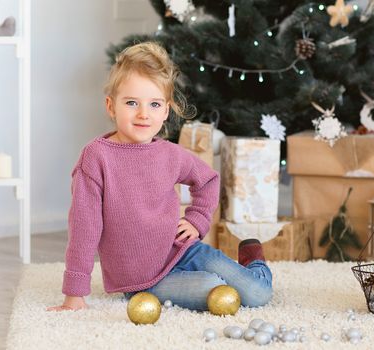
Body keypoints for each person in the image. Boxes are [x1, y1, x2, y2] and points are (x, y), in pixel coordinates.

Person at [47, 42, 272, 312]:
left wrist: (197, 219)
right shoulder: (96, 158)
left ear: (165, 110)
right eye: (132, 103)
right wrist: (74, 294)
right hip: (142, 281)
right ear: (111, 106)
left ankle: (253, 261)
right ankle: (226, 276)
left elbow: (208, 180)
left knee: (257, 294)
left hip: (184, 250)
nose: (144, 114)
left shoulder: (170, 154)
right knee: (215, 289)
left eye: (154, 104)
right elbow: (84, 229)